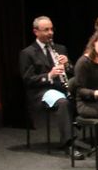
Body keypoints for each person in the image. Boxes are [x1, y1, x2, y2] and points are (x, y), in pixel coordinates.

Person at [19, 15, 73, 147]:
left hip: (61, 87)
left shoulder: (61, 49)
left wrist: (67, 65)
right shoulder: (27, 53)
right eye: (46, 30)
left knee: (83, 95)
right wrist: (49, 75)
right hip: (41, 91)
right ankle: (69, 143)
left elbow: (72, 72)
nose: (50, 33)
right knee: (63, 102)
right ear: (36, 32)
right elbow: (28, 79)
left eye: (51, 29)